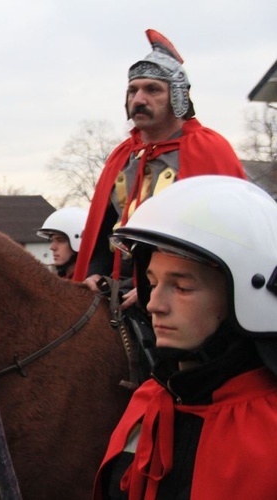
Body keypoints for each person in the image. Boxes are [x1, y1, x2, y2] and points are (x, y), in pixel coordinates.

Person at [93, 176, 277, 499]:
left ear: (246, 297)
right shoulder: (149, 401)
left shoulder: (268, 429)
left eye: (181, 287)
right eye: (152, 282)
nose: (153, 304)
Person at [73, 29, 245, 307]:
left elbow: (222, 240)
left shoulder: (208, 149)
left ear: (178, 96)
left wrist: (157, 287)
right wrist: (94, 272)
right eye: (133, 90)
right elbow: (104, 227)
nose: (139, 99)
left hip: (183, 294)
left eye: (152, 89)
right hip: (117, 285)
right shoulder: (123, 155)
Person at [36, 206, 88, 279]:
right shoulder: (62, 281)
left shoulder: (92, 286)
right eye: (52, 240)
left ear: (79, 242)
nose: (52, 247)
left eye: (60, 240)